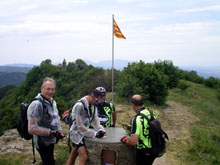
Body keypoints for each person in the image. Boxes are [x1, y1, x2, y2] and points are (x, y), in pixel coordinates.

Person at [27, 77, 64, 165]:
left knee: (48, 161)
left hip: (50, 140)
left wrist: (58, 132)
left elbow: (55, 118)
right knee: (49, 162)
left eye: (52, 89)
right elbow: (31, 128)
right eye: (48, 89)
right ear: (41, 89)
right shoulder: (37, 105)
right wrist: (51, 132)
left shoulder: (51, 101)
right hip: (42, 142)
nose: (50, 92)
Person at [67, 89, 106, 165]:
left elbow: (95, 120)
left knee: (73, 155)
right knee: (84, 157)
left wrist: (101, 130)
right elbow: (79, 126)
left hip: (84, 133)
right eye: (97, 101)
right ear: (92, 96)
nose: (97, 103)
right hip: (76, 134)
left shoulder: (93, 105)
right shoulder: (79, 105)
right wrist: (94, 134)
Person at [120, 94, 158, 165]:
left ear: (133, 105)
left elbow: (133, 142)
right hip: (154, 148)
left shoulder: (137, 119)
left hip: (144, 152)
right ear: (142, 103)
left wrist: (125, 140)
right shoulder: (152, 113)